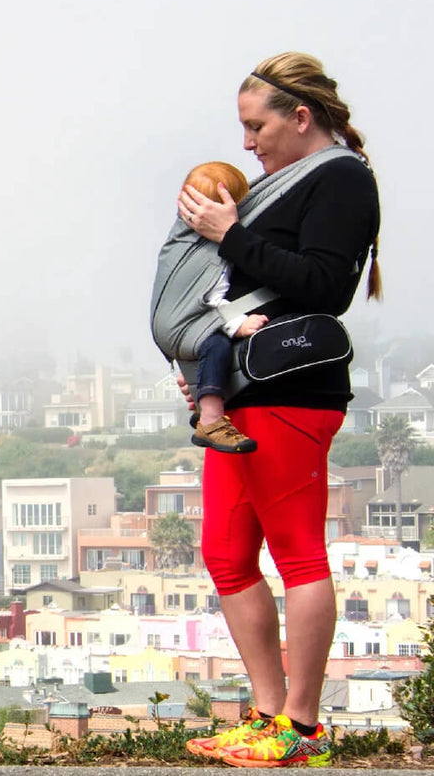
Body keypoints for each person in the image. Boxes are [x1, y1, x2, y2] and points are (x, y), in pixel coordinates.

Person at [177, 52, 382, 768]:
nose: (247, 142)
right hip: (242, 392)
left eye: (255, 125)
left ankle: (302, 727)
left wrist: (229, 235)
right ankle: (268, 712)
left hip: (294, 389)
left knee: (297, 550)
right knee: (227, 553)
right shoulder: (278, 185)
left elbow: (326, 286)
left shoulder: (341, 180)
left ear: (300, 117)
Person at [175, 161, 267, 454]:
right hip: (193, 322)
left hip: (181, 327)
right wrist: (238, 324)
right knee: (216, 345)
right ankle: (211, 417)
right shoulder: (205, 253)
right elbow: (208, 301)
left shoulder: (185, 242)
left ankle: (205, 399)